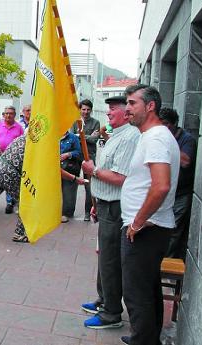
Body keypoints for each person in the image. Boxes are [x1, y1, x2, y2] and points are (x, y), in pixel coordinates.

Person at [119, 84, 180, 345]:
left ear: (150, 106)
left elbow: (161, 186)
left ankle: (142, 340)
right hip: (148, 228)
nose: (127, 109)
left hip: (146, 230)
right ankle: (145, 338)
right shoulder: (151, 136)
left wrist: (137, 222)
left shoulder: (156, 137)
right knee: (148, 288)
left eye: (132, 103)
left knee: (136, 293)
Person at [79, 96, 141, 330]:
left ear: (125, 113)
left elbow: (121, 178)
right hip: (105, 203)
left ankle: (111, 312)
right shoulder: (116, 136)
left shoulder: (129, 138)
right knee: (104, 257)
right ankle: (104, 299)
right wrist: (97, 199)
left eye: (113, 110)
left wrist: (93, 170)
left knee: (111, 259)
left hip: (115, 206)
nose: (108, 113)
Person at [0, 136, 86, 240]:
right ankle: (19, 233)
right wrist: (75, 178)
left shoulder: (25, 137)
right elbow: (54, 169)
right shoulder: (42, 147)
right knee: (26, 201)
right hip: (10, 173)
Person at [159, 107, 197, 259]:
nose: (163, 127)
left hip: (181, 194)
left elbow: (186, 161)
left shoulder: (187, 139)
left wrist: (168, 144)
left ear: (174, 124)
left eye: (166, 124)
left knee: (173, 231)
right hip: (165, 192)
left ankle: (166, 262)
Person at [71, 99, 100, 221]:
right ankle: (68, 211)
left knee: (89, 186)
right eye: (83, 109)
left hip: (90, 157)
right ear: (80, 110)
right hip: (76, 156)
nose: (86, 112)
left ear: (91, 110)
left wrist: (80, 135)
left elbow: (94, 140)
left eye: (88, 109)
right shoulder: (74, 122)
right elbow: (72, 138)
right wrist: (87, 136)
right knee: (72, 183)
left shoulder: (96, 122)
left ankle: (88, 213)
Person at [0, 106, 24, 213]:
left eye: (11, 113)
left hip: (11, 160)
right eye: (6, 113)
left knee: (10, 180)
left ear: (15, 115)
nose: (8, 115)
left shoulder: (19, 128)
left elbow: (22, 144)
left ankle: (9, 203)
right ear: (3, 114)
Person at [60, 130, 83, 223]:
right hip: (54, 168)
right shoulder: (53, 136)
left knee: (69, 192)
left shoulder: (73, 137)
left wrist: (68, 154)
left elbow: (79, 152)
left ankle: (67, 213)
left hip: (69, 168)